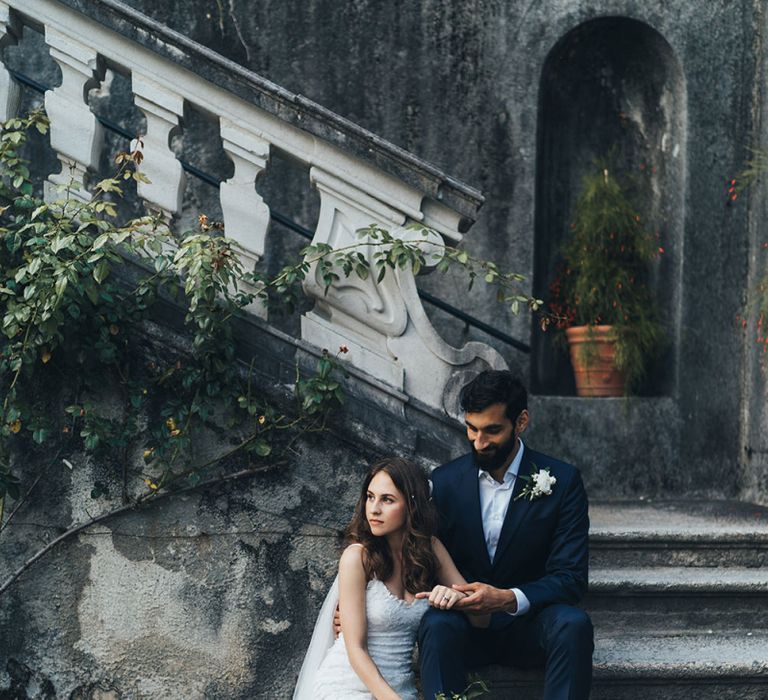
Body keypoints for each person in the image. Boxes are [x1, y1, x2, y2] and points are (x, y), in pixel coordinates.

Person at [419, 370, 593, 700]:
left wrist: (507, 598)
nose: (479, 442)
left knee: (574, 624)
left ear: (522, 421)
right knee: (435, 626)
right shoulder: (443, 482)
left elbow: (570, 578)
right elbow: (416, 554)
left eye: (492, 430)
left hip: (530, 625)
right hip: (465, 627)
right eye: (472, 428)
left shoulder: (563, 481)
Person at [293, 457, 488, 700]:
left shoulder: (431, 549)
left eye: (387, 500)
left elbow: (482, 620)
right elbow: (355, 649)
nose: (373, 508)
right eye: (370, 496)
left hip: (400, 688)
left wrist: (457, 597)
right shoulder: (357, 557)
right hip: (346, 686)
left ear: (412, 505)